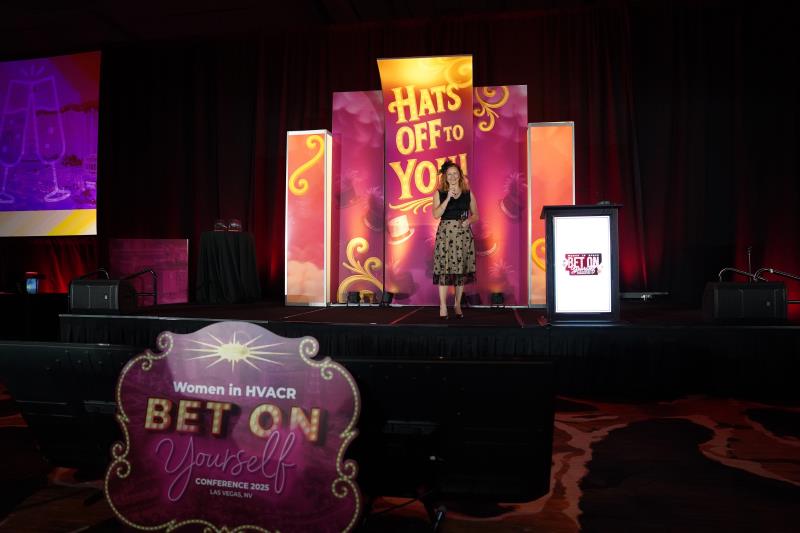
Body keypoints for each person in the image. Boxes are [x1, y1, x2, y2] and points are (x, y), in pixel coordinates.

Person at [431, 160, 478, 319]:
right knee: (444, 270)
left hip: (463, 235)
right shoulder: (439, 193)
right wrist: (447, 199)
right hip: (446, 235)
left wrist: (469, 221)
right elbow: (436, 215)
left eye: (455, 174)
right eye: (449, 174)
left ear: (460, 176)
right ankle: (443, 306)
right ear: (445, 176)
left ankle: (457, 304)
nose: (452, 177)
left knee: (460, 271)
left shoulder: (468, 193)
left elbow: (476, 215)